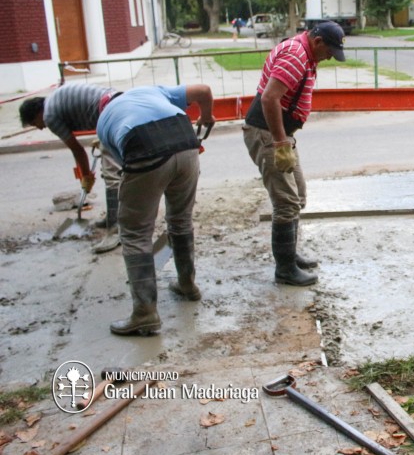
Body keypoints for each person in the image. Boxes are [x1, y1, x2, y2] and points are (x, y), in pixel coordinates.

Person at [96, 84, 215, 336]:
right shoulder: (152, 91)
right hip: (186, 141)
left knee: (135, 233)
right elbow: (204, 90)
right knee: (180, 220)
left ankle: (145, 313)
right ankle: (187, 285)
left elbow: (126, 171)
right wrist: (206, 116)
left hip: (141, 146)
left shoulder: (104, 121)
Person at [243, 21, 346, 287]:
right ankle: (285, 269)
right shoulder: (296, 56)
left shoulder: (305, 52)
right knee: (286, 202)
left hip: (280, 134)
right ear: (318, 41)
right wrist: (279, 143)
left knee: (297, 195)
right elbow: (269, 98)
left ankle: (290, 254)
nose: (329, 58)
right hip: (267, 133)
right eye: (329, 52)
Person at [19, 83, 124, 253]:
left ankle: (115, 229)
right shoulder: (54, 101)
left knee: (112, 176)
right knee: (113, 171)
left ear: (38, 113)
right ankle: (114, 216)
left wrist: (86, 177)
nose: (39, 127)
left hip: (112, 112)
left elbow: (77, 150)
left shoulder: (50, 116)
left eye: (34, 123)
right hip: (114, 105)